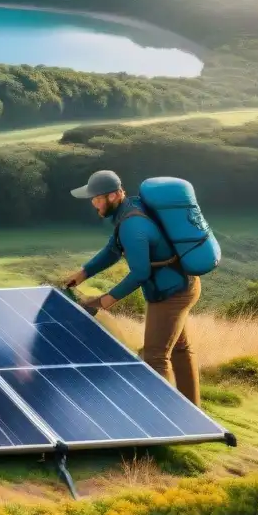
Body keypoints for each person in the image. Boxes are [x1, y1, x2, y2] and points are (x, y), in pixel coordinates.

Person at [62, 170, 202, 406]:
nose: (93, 202)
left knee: (155, 358)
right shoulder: (129, 211)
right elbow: (112, 250)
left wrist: (106, 300)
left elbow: (140, 273)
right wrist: (84, 273)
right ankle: (193, 410)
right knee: (180, 348)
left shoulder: (132, 225)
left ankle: (161, 424)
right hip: (183, 283)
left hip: (171, 294)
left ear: (115, 195)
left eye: (97, 197)